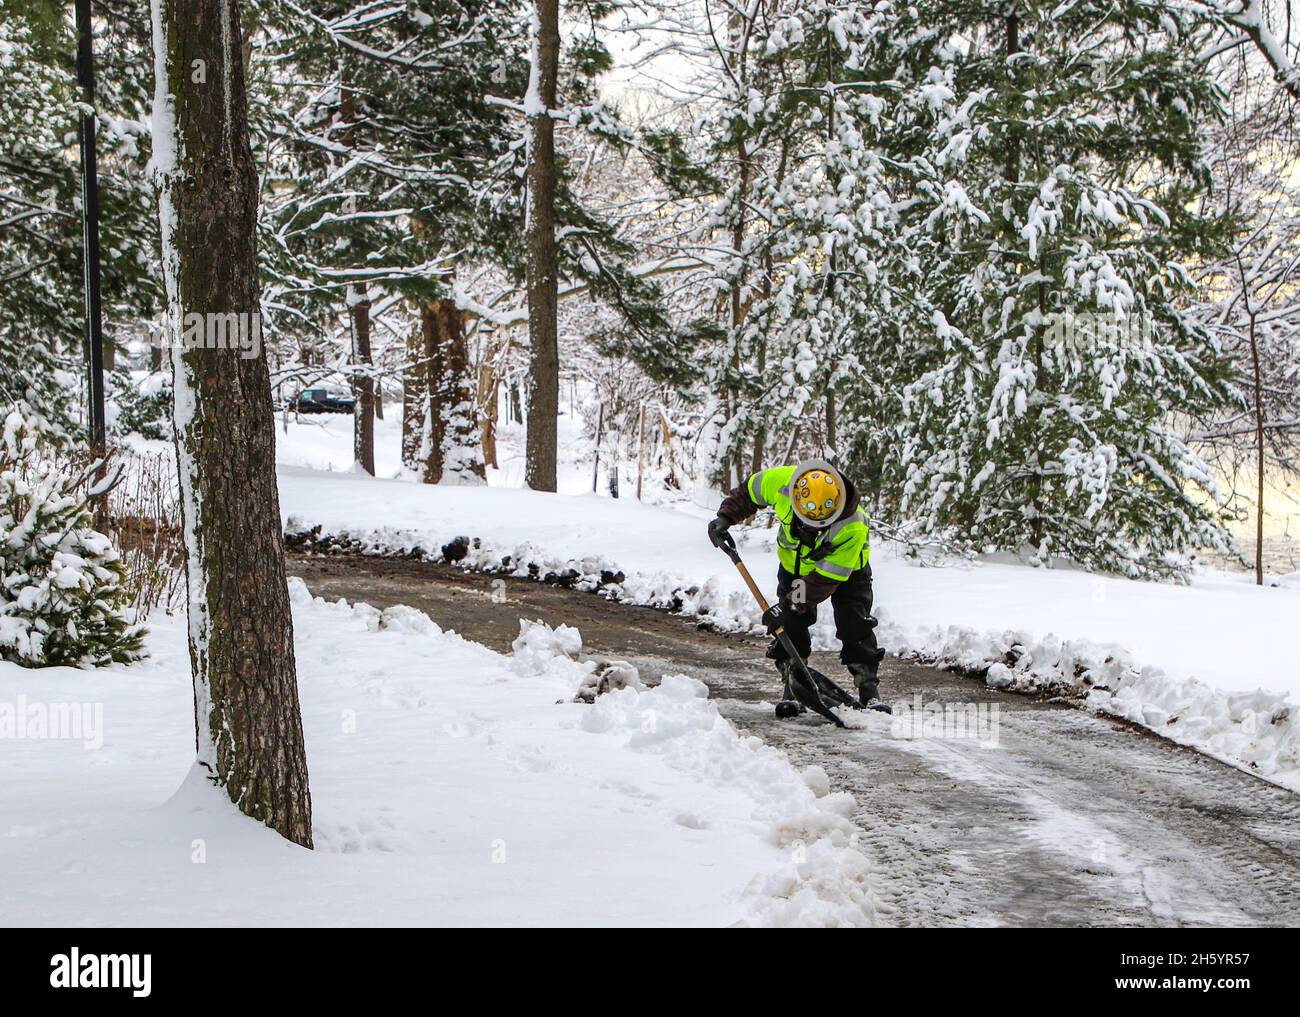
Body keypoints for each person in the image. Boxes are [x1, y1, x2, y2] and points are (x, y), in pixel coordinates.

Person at [707, 459, 889, 714]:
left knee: (854, 625)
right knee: (790, 626)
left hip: (846, 572)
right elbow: (750, 490)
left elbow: (823, 581)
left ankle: (869, 691)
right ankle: (791, 688)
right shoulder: (784, 482)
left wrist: (789, 605)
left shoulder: (853, 524)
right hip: (794, 566)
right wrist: (725, 517)